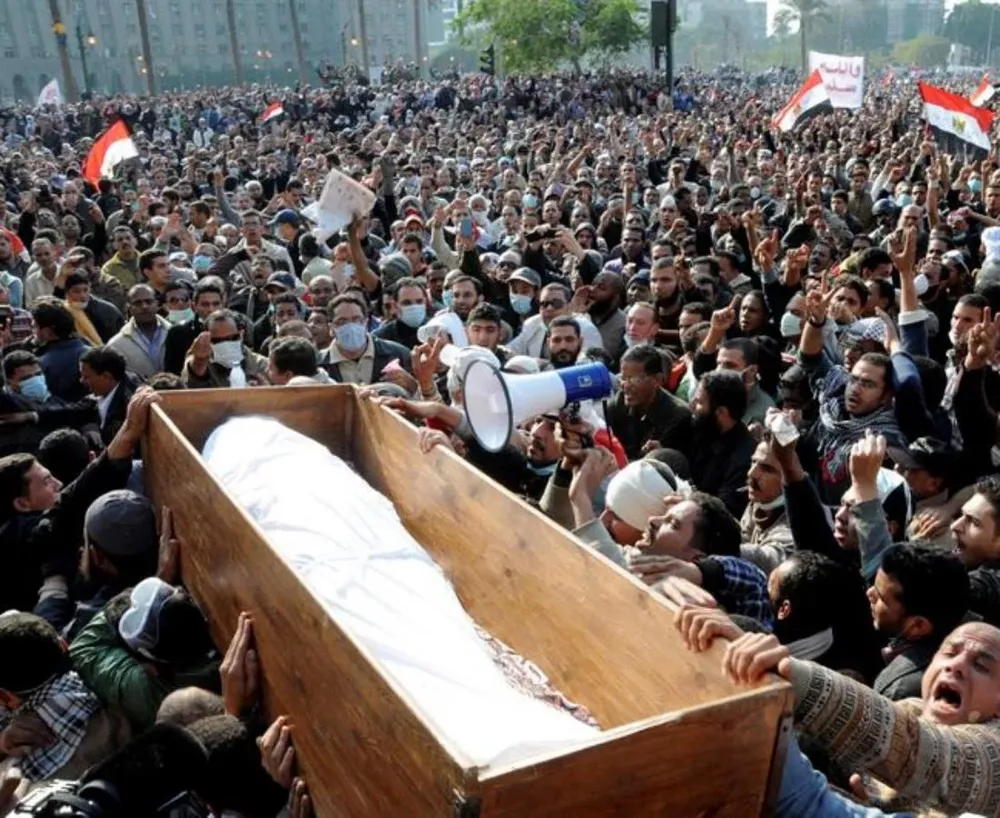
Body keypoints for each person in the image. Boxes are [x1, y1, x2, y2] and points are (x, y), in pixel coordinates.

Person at [606, 344, 692, 460]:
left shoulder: (678, 416)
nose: (625, 386)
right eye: (623, 378)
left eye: (633, 379)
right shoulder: (618, 403)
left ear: (657, 380)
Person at [689, 369, 756, 517]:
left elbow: (724, 512)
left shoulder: (743, 460)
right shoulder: (704, 429)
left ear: (721, 412)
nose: (692, 405)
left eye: (700, 402)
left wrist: (688, 501)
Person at [317, 294, 412, 386]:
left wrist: (410, 383)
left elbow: (419, 395)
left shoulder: (398, 354)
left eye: (356, 319)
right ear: (331, 328)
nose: (351, 326)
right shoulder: (319, 363)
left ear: (366, 323)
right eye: (342, 321)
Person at [182, 309, 268, 389]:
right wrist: (199, 362)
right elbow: (192, 385)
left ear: (241, 334)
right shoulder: (197, 363)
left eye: (232, 338)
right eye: (217, 340)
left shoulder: (260, 364)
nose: (225, 344)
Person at [106, 284, 171, 379]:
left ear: (157, 304)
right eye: (137, 303)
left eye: (149, 301)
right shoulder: (116, 345)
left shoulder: (176, 334)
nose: (144, 306)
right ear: (129, 308)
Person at [79, 346, 137, 445]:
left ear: (106, 376)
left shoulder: (129, 407)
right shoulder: (103, 393)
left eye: (86, 377)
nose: (81, 381)